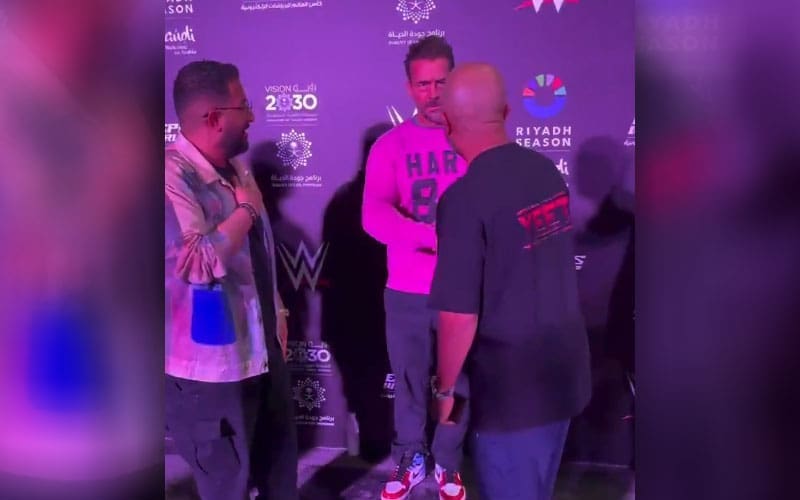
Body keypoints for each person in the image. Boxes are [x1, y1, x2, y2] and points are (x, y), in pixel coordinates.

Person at [429, 63, 592, 500]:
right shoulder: (546, 171)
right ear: (505, 111)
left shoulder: (463, 200)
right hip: (562, 375)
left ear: (447, 123)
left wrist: (445, 393)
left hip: (512, 393)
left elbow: (457, 316)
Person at [164, 60, 298, 500]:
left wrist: (277, 309)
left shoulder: (236, 168)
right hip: (211, 371)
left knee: (280, 477)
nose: (253, 115)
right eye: (244, 105)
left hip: (262, 351)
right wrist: (247, 210)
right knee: (227, 487)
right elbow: (197, 262)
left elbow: (256, 253)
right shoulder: (169, 176)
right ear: (214, 118)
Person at [362, 36, 470, 500]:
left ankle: (448, 461)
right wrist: (431, 237)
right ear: (409, 88)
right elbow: (374, 214)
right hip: (406, 289)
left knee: (458, 383)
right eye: (423, 84)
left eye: (441, 82)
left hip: (463, 289)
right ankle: (410, 457)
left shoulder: (476, 140)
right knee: (407, 384)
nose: (433, 93)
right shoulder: (391, 145)